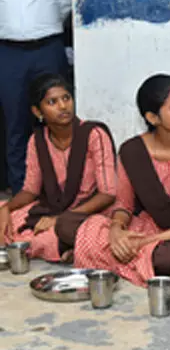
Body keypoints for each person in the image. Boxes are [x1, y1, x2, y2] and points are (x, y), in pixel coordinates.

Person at [72, 74, 170, 286]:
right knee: (67, 224)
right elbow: (124, 205)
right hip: (146, 227)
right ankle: (140, 260)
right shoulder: (132, 150)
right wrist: (116, 231)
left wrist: (146, 242)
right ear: (152, 118)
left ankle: (130, 259)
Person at [0, 73, 116, 262]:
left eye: (66, 98)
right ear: (38, 112)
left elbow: (107, 194)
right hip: (52, 208)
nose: (63, 106)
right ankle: (66, 248)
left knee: (55, 234)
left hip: (89, 211)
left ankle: (63, 246)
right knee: (5, 218)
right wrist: (6, 208)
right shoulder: (37, 141)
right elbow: (30, 190)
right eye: (52, 102)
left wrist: (60, 219)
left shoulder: (94, 134)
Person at [0, 0, 72, 195]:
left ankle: (62, 188)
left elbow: (66, 0)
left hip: (47, 47)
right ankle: (21, 189)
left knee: (59, 119)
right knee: (15, 123)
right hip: (8, 50)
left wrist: (41, 26)